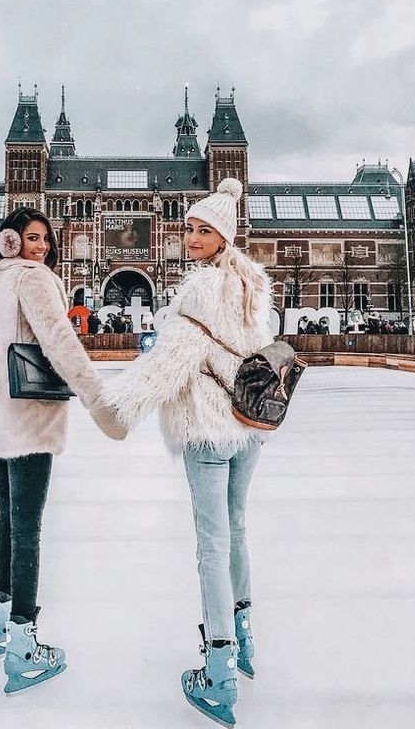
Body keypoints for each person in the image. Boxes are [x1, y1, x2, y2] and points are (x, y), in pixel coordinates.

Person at [100, 179, 274, 726]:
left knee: (213, 544)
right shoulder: (252, 286)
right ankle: (244, 641)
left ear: (223, 236)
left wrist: (115, 407)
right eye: (190, 227)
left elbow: (166, 365)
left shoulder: (200, 290)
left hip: (207, 428)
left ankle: (218, 671)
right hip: (248, 426)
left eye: (203, 230)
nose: (191, 237)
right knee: (237, 529)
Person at [0, 207, 123, 695]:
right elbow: (62, 344)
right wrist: (100, 402)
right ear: (11, 240)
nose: (42, 247)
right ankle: (24, 643)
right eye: (32, 238)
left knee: (8, 521)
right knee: (27, 529)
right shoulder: (33, 279)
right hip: (28, 419)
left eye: (46, 240)